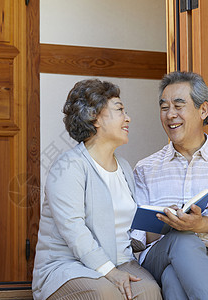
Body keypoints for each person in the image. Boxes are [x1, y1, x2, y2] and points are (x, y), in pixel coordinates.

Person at [32, 79, 162, 300]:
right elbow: (74, 230)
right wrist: (110, 273)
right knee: (105, 294)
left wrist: (164, 220)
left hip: (121, 262)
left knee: (149, 292)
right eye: (120, 110)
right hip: (67, 265)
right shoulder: (68, 167)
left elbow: (129, 227)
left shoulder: (124, 167)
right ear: (94, 116)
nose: (128, 117)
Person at [131, 71, 208, 300]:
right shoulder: (145, 168)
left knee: (174, 280)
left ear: (202, 110)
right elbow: (134, 233)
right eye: (164, 107)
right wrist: (168, 224)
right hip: (159, 256)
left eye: (178, 105)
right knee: (182, 238)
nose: (170, 114)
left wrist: (200, 223)